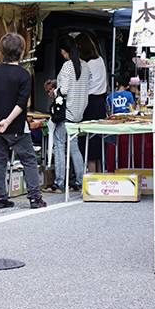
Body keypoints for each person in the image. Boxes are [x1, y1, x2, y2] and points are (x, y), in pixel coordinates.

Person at [0, 32, 46, 211]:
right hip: (16, 126)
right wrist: (7, 122)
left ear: (1, 51)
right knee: (29, 159)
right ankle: (34, 197)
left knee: (0, 161)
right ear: (22, 51)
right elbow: (21, 103)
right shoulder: (24, 75)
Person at [48, 35, 90, 192]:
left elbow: (64, 90)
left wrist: (53, 92)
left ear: (64, 52)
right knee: (73, 146)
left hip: (66, 112)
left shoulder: (67, 66)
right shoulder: (85, 66)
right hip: (78, 113)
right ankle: (80, 180)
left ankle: (59, 182)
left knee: (59, 145)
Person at [75, 32, 108, 171]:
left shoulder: (87, 65)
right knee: (97, 140)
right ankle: (100, 173)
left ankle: (92, 175)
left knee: (87, 141)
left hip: (89, 104)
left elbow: (81, 85)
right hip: (100, 103)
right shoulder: (99, 60)